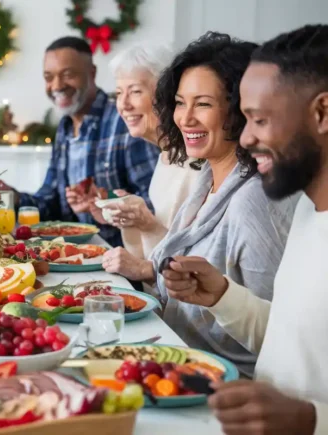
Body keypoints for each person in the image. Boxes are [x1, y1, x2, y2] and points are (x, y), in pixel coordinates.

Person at [162, 25, 328, 434]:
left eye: (260, 119)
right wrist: (221, 295)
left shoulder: (269, 202)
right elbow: (287, 341)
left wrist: (312, 419)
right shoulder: (308, 211)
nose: (247, 136)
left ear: (322, 113)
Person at [121, 32, 298, 377]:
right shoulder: (205, 180)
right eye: (180, 102)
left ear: (238, 110)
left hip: (223, 385)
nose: (185, 118)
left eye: (202, 103)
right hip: (177, 361)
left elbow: (277, 330)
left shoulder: (253, 199)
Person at [0, 36, 160, 247]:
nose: (57, 85)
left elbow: (157, 204)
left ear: (92, 73)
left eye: (68, 75)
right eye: (48, 77)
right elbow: (51, 202)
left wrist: (107, 201)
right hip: (75, 253)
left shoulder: (127, 120)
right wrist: (14, 196)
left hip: (124, 257)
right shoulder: (64, 128)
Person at [99, 44, 200, 276]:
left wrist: (147, 224)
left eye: (135, 91)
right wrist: (133, 219)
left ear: (167, 94)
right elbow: (145, 258)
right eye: (118, 93)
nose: (123, 105)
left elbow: (197, 267)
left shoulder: (196, 162)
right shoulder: (166, 155)